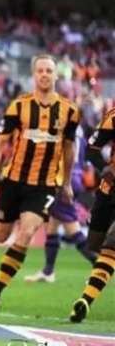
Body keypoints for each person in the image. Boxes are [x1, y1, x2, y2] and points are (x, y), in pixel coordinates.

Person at [0, 54, 80, 308]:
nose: (44, 75)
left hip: (44, 185)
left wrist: (66, 182)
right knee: (1, 236)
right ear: (34, 75)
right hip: (13, 181)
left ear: (56, 75)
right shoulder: (18, 106)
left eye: (49, 71)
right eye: (40, 70)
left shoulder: (69, 111)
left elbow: (69, 147)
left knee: (26, 233)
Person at [24, 124, 97, 284]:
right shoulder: (79, 130)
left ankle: (101, 268)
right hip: (75, 177)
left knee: (72, 228)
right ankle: (48, 271)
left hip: (63, 180)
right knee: (52, 225)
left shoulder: (61, 126)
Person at [69, 108, 115, 323]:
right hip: (109, 191)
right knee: (95, 244)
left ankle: (85, 300)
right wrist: (105, 167)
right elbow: (92, 149)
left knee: (110, 246)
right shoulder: (113, 117)